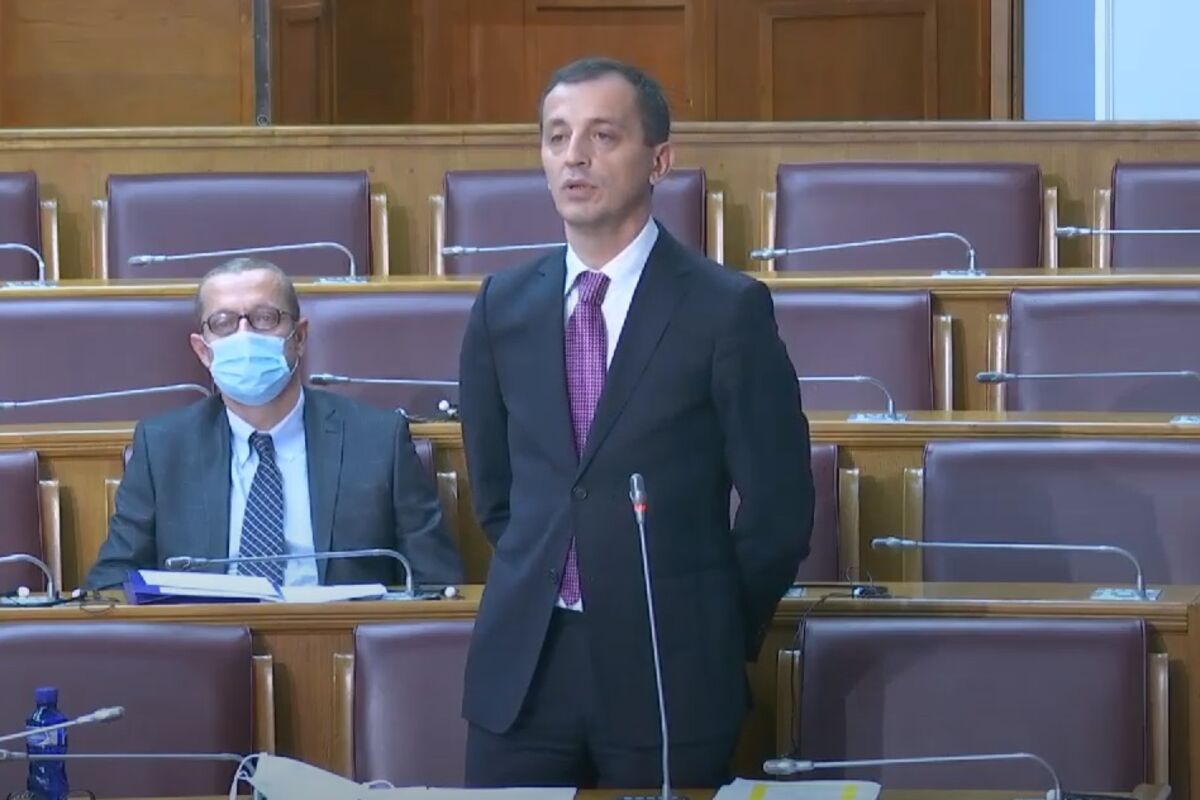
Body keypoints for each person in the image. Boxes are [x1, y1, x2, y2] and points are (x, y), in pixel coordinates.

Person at [459, 57, 814, 789]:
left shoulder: (725, 309)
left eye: (602, 136)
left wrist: (712, 627)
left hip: (669, 670)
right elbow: (496, 493)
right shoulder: (501, 305)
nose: (574, 156)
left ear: (659, 160)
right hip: (526, 669)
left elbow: (779, 511)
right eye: (557, 137)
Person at [86, 257, 463, 590]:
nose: (245, 336)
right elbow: (112, 580)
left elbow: (436, 581)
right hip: (208, 638)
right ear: (203, 351)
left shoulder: (378, 439)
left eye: (265, 318)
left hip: (339, 637)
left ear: (299, 337)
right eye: (224, 323)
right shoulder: (163, 447)